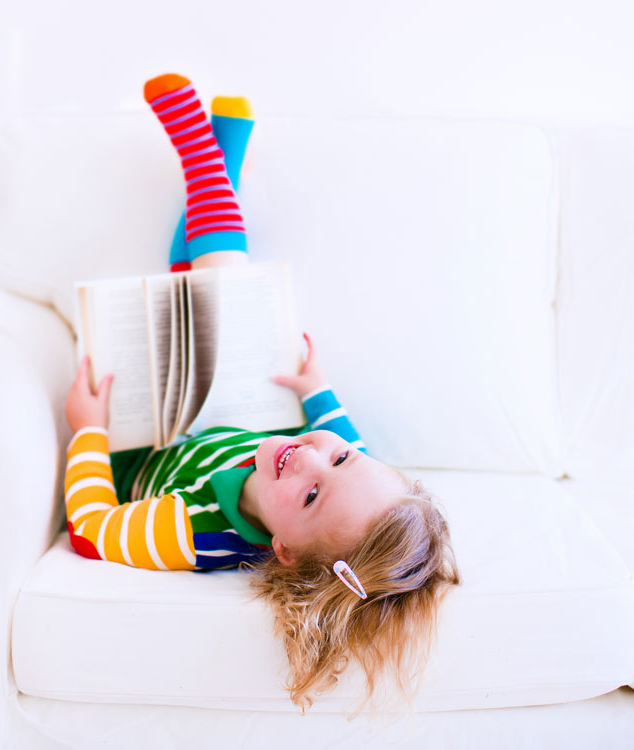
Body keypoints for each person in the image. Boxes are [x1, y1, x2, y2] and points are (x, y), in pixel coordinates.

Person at [63, 73, 461, 717]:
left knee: (194, 299)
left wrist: (88, 430)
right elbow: (353, 445)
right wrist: (317, 390)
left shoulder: (192, 533)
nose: (310, 458)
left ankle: (208, 156)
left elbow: (89, 531)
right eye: (337, 461)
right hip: (234, 423)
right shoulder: (340, 485)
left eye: (309, 494)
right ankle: (216, 162)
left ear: (281, 548)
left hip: (155, 442)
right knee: (224, 301)